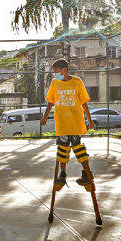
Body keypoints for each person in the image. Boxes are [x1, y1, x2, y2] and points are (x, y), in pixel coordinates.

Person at [41, 58, 94, 186]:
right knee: (62, 149)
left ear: (64, 70)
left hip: (75, 122)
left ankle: (87, 173)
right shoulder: (55, 83)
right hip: (62, 122)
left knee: (78, 149)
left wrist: (89, 119)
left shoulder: (77, 82)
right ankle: (62, 174)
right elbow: (51, 102)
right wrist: (45, 117)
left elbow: (84, 102)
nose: (55, 74)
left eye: (56, 71)